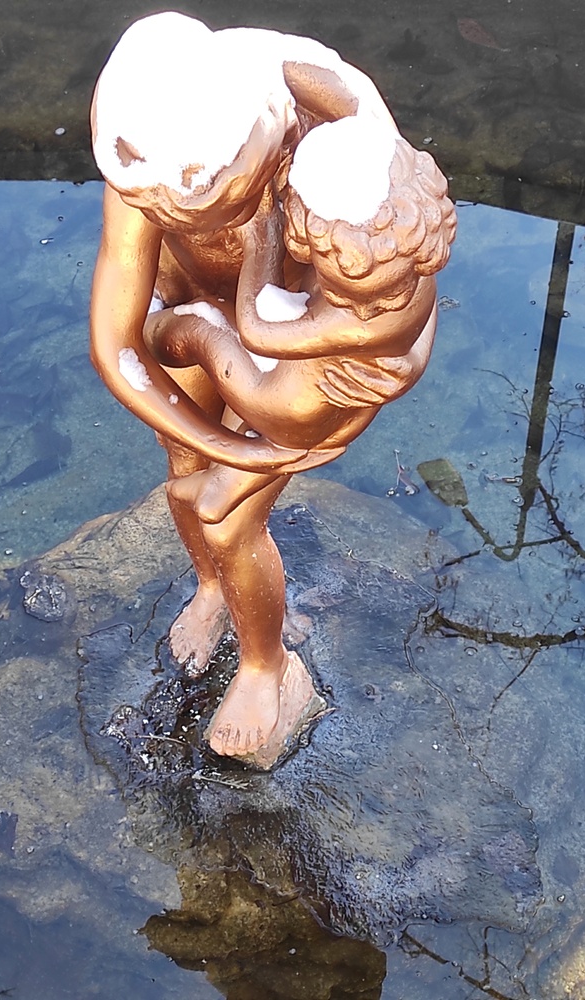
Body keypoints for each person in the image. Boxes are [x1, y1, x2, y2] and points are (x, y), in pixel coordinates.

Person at [141, 115, 457, 765]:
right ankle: (214, 590)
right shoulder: (149, 147)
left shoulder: (361, 301)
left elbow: (260, 327)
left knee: (224, 516)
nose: (360, 302)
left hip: (276, 391)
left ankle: (266, 666)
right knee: (183, 467)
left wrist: (260, 235)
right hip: (236, 340)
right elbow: (116, 340)